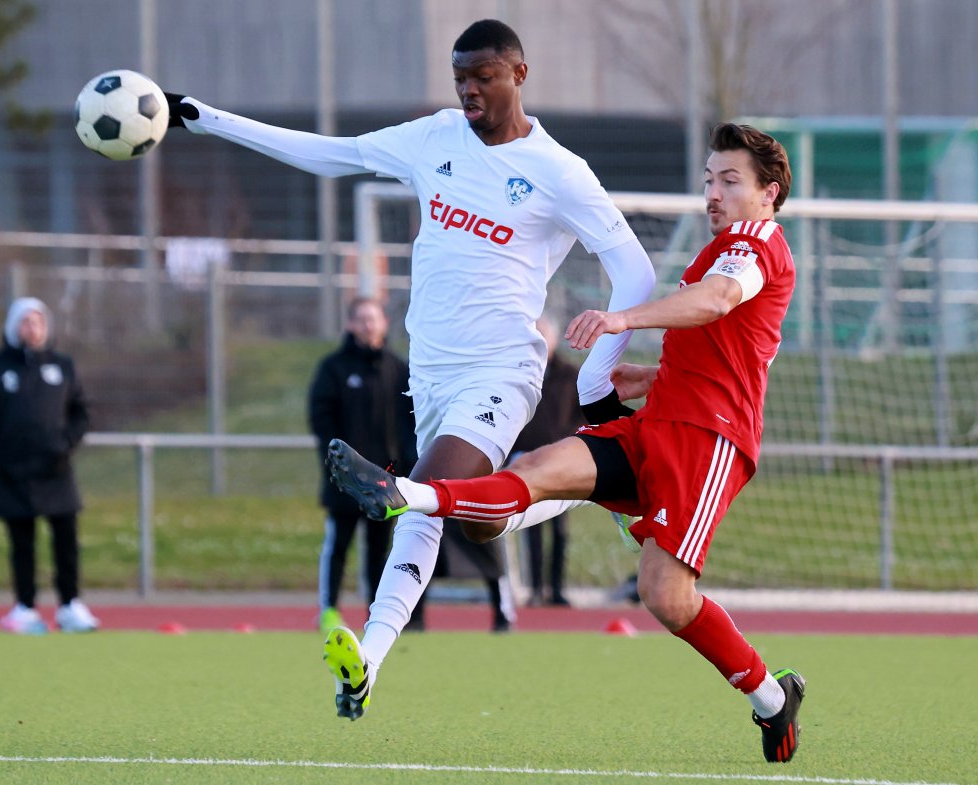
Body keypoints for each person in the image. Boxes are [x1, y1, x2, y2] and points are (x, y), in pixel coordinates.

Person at [164, 17, 656, 720]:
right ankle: (585, 491)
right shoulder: (433, 139)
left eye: (483, 77)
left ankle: (370, 643)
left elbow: (634, 272)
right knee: (473, 519)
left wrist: (597, 379)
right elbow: (331, 154)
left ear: (519, 74)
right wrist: (210, 120)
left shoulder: (559, 170)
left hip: (502, 367)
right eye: (460, 78)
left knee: (421, 492)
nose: (469, 91)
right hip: (429, 374)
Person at [327, 123, 806, 763]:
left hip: (707, 444)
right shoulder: (721, 245)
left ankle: (773, 700)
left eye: (729, 181)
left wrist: (622, 318)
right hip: (656, 423)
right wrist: (649, 376)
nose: (712, 193)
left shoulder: (758, 242)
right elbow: (727, 348)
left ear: (768, 193)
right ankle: (409, 493)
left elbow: (717, 302)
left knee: (665, 596)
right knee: (540, 466)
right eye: (708, 179)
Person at [0, 298, 100, 635]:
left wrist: (64, 444)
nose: (33, 329)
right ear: (14, 327)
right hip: (13, 471)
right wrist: (1, 452)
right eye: (26, 322)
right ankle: (24, 607)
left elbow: (81, 413)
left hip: (56, 469)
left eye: (39, 322)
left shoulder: (62, 365)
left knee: (66, 539)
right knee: (22, 543)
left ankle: (70, 605)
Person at [308, 297, 416, 634]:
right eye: (361, 319)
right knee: (338, 544)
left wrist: (401, 467)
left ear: (384, 324)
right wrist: (337, 462)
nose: (368, 325)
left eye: (374, 319)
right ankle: (328, 611)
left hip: (385, 481)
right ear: (351, 324)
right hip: (344, 481)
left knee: (379, 551)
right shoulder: (333, 368)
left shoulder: (398, 369)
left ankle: (376, 613)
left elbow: (411, 422)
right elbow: (321, 418)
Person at [510, 317, 582, 607]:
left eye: (543, 336)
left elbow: (583, 413)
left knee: (560, 528)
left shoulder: (570, 376)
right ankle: (537, 589)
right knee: (532, 529)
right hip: (526, 463)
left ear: (553, 340)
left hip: (560, 463)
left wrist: (571, 443)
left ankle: (557, 587)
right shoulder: (517, 374)